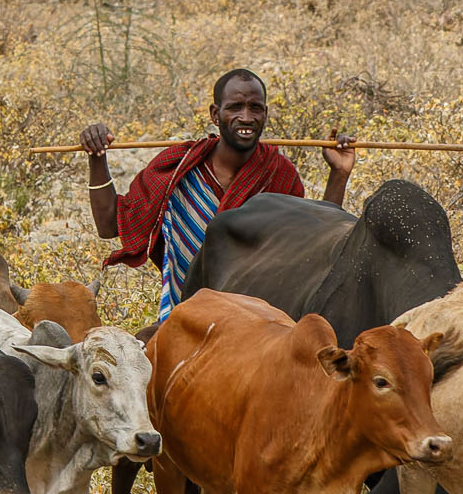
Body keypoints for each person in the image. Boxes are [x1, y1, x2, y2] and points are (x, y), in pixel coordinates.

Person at [82, 68, 356, 321]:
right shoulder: (179, 167)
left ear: (266, 114)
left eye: (255, 108)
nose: (246, 118)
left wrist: (339, 173)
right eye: (235, 107)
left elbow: (313, 243)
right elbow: (108, 226)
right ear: (215, 114)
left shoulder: (278, 174)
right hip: (186, 316)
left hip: (260, 322)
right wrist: (97, 158)